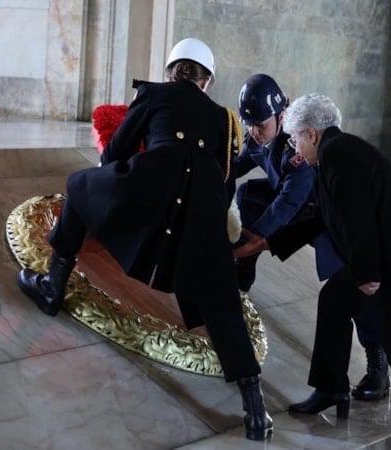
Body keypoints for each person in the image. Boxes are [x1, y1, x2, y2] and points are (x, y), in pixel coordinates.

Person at [16, 37, 273, 441]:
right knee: (221, 299)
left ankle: (52, 288)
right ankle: (256, 412)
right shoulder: (224, 119)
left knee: (80, 187)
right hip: (202, 211)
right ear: (207, 81)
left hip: (148, 189)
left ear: (170, 73)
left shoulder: (153, 94)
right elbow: (225, 186)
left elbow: (114, 155)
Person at [235, 93, 391, 450]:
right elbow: (321, 216)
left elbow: (359, 219)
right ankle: (331, 388)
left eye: (295, 140)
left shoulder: (339, 154)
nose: (294, 149)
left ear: (311, 134)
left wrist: (367, 274)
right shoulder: (335, 152)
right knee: (335, 299)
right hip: (388, 258)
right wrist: (266, 242)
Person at [233, 74, 391, 400]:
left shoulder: (299, 143)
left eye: (260, 125)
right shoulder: (259, 136)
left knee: (353, 285)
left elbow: (289, 202)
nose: (254, 132)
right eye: (249, 125)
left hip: (323, 216)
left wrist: (260, 236)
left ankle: (377, 363)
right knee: (248, 194)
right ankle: (244, 268)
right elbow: (237, 165)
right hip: (296, 207)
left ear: (280, 116)